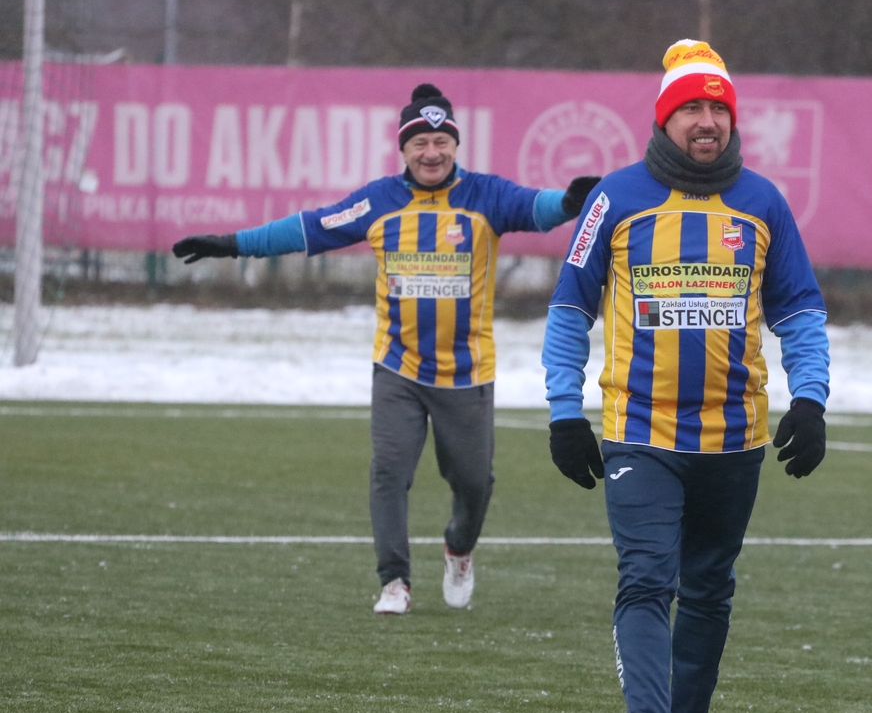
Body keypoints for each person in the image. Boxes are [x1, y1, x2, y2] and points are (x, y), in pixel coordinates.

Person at [173, 82, 598, 616]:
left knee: (473, 484)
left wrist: (569, 201)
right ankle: (394, 581)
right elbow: (308, 228)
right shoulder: (379, 201)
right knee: (388, 472)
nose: (431, 152)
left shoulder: (484, 196)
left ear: (455, 146)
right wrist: (232, 244)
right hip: (397, 367)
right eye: (420, 143)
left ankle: (459, 549)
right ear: (403, 149)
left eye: (441, 142)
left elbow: (536, 207)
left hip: (466, 373)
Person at [542, 41, 830, 713]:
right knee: (646, 579)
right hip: (639, 433)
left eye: (717, 108)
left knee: (707, 590)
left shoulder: (764, 203)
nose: (707, 121)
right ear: (665, 119)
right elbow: (569, 310)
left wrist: (811, 399)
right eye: (691, 108)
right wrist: (565, 412)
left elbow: (800, 311)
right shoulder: (615, 198)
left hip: (734, 440)